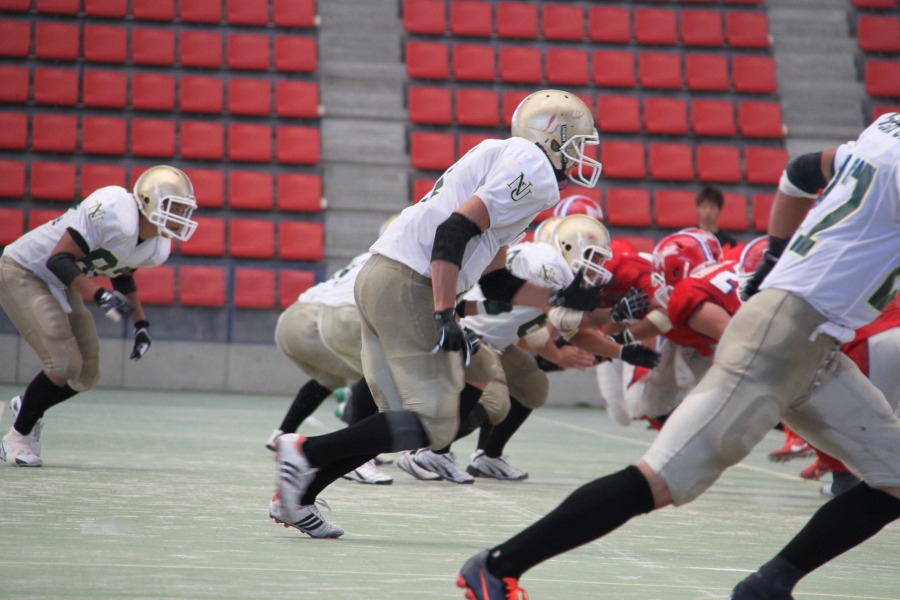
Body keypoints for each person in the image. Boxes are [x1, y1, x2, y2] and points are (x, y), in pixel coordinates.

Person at [457, 112, 900, 599]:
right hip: (783, 336)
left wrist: (775, 257)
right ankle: (498, 566)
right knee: (660, 480)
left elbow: (798, 172)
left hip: (815, 345)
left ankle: (768, 587)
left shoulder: (884, 131)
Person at [270, 89, 646, 538]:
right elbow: (453, 231)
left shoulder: (503, 158)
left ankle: (298, 496)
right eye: (578, 143)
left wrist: (561, 298)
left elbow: (497, 281)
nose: (583, 155)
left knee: (397, 420)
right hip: (411, 281)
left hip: (383, 275)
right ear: (553, 137)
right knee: (435, 421)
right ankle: (304, 452)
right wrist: (446, 309)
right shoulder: (532, 166)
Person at [0, 165, 198, 467]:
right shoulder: (114, 209)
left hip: (62, 282)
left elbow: (122, 272)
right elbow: (58, 259)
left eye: (184, 210)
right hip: (25, 269)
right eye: (175, 208)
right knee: (64, 363)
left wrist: (140, 324)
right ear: (148, 201)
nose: (180, 216)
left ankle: (29, 404)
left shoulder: (154, 247)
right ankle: (16, 439)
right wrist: (99, 295)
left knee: (87, 374)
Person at [265, 248, 393, 486]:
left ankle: (282, 434)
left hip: (293, 318)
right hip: (327, 317)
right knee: (379, 371)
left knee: (330, 377)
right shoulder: (405, 259)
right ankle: (357, 454)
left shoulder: (371, 254)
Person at [695, 184, 739, 252]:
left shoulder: (729, 242)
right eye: (704, 206)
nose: (708, 211)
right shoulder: (689, 237)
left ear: (720, 210)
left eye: (712, 207)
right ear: (698, 209)